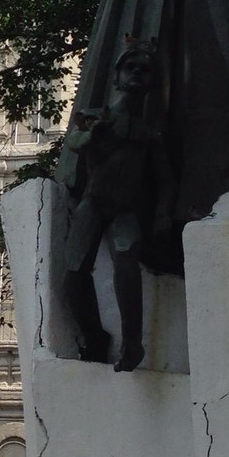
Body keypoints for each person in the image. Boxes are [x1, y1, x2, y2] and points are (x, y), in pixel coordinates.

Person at [60, 36, 174, 372]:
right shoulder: (94, 116)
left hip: (125, 209)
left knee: (127, 265)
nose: (137, 73)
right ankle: (95, 337)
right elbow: (76, 143)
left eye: (145, 70)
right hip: (93, 205)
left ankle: (133, 344)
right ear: (117, 76)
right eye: (131, 67)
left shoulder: (149, 133)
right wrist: (95, 132)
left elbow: (165, 178)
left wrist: (164, 213)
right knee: (74, 274)